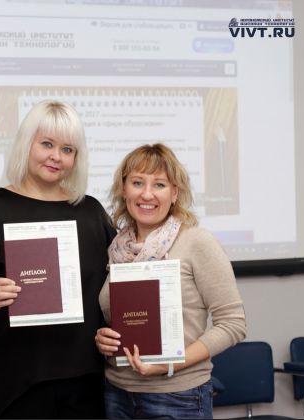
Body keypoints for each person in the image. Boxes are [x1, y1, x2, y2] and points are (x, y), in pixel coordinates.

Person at [0, 100, 116, 418]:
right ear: (27, 144)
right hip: (10, 389)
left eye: (67, 149)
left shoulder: (92, 213)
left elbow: (115, 289)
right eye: (47, 144)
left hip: (84, 386)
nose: (56, 156)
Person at [95, 143, 247, 419]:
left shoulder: (197, 242)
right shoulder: (116, 248)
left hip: (178, 397)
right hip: (117, 393)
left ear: (174, 193)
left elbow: (233, 325)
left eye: (159, 184)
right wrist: (103, 338)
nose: (147, 194)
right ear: (124, 190)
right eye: (137, 183)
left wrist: (170, 364)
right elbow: (121, 320)